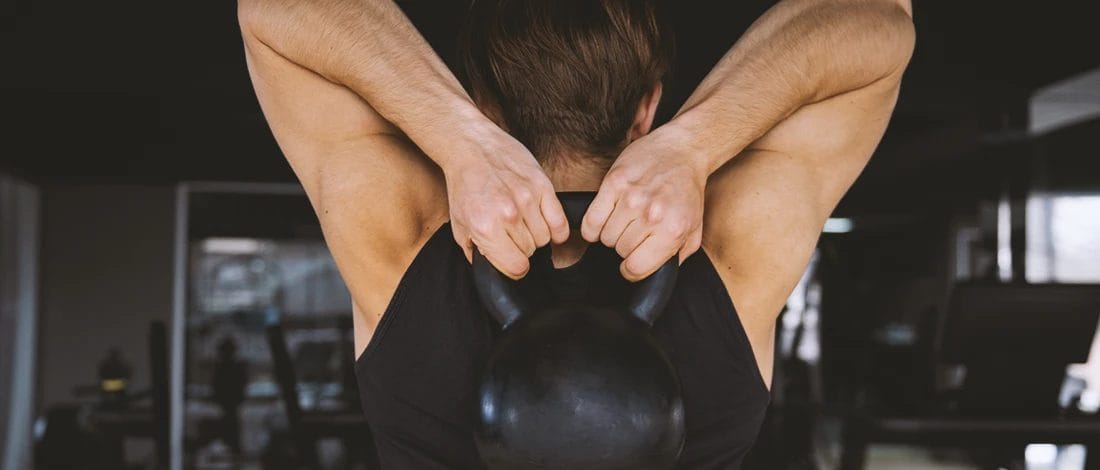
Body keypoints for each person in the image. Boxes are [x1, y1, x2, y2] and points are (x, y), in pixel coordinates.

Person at [238, 0, 914, 467]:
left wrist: (459, 137)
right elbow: (880, 20)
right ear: (648, 108)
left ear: (484, 104)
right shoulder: (731, 247)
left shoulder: (404, 232)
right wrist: (694, 144)